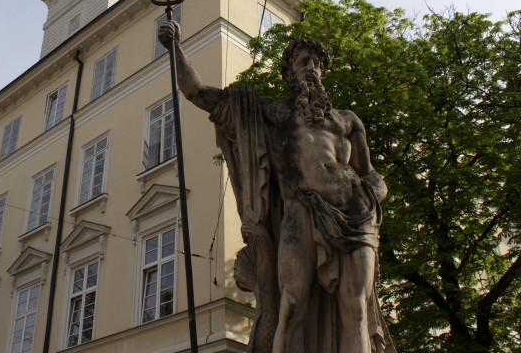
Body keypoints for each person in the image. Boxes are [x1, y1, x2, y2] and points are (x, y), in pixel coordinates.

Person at [158, 22, 395, 353]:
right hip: (301, 211)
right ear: (288, 72)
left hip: (357, 216)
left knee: (355, 308)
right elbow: (198, 93)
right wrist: (175, 48)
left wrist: (373, 195)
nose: (311, 68)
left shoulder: (347, 121)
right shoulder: (270, 115)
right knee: (292, 303)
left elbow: (370, 174)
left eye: (317, 63)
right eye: (303, 61)